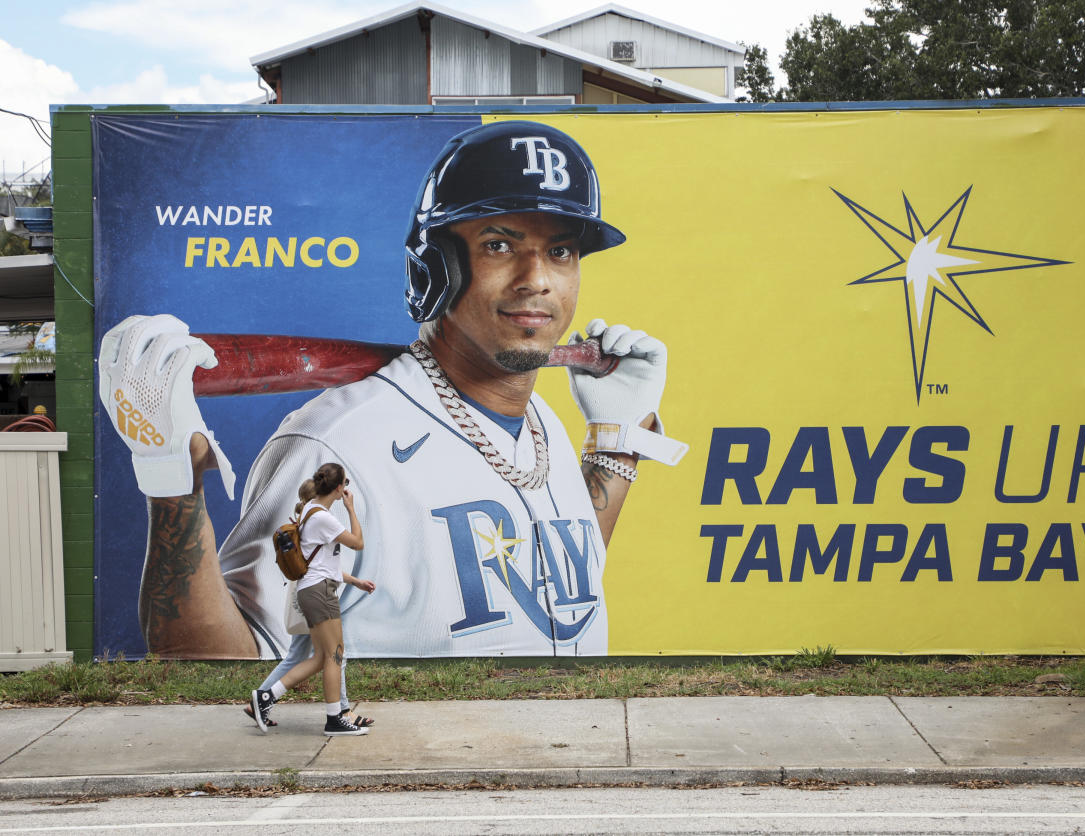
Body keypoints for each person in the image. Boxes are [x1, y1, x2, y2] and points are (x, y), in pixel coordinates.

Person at [97, 119, 687, 660]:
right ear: (435, 269)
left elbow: (559, 585)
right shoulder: (339, 448)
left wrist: (615, 449)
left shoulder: (542, 424)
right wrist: (172, 484)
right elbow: (216, 671)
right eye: (500, 245)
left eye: (559, 251)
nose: (537, 280)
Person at [242, 479, 376, 729]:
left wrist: (355, 581)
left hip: (309, 594)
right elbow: (347, 550)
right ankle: (341, 713)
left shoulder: (305, 522)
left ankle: (261, 699)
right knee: (332, 656)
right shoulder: (316, 522)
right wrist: (350, 508)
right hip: (316, 596)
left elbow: (326, 566)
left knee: (307, 655)